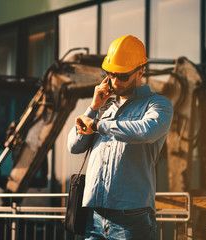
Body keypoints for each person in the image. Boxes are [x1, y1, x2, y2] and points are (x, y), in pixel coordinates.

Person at [67, 35, 173, 240]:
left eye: (122, 76)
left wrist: (98, 125)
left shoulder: (158, 105)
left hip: (132, 218)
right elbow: (74, 146)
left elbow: (147, 130)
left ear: (140, 72)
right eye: (110, 74)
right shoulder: (104, 108)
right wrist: (94, 107)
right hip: (94, 216)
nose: (115, 81)